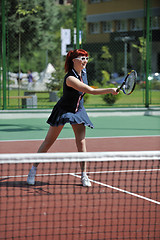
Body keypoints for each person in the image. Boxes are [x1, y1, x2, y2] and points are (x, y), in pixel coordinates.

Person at [27, 49, 118, 187]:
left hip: (78, 110)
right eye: (82, 58)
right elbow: (90, 91)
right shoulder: (70, 78)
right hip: (64, 110)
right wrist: (110, 90)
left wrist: (110, 89)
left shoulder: (84, 72)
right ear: (73, 61)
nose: (85, 61)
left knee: (81, 143)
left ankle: (84, 175)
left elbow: (88, 88)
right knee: (48, 142)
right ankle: (33, 170)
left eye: (86, 58)